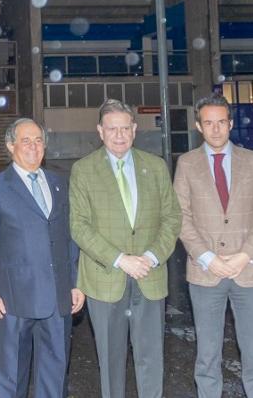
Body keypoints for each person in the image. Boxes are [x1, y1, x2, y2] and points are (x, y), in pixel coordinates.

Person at [70, 98, 181, 398]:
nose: (119, 135)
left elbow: (172, 218)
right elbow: (79, 226)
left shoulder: (156, 167)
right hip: (105, 280)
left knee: (151, 360)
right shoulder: (83, 170)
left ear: (134, 129)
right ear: (100, 131)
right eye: (111, 129)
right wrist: (120, 260)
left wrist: (152, 256)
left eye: (124, 128)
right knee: (111, 362)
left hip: (150, 276)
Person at [173, 95, 253, 398]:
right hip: (206, 273)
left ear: (230, 123)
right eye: (208, 123)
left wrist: (245, 255)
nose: (216, 129)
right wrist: (207, 257)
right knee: (207, 356)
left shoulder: (252, 160)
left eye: (221, 122)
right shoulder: (187, 163)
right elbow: (180, 216)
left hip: (249, 270)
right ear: (198, 126)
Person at [0, 118, 85, 398]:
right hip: (12, 299)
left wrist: (75, 283)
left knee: (55, 378)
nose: (34, 147)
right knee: (11, 378)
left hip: (58, 299)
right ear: (11, 145)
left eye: (38, 140)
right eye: (26, 141)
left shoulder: (59, 183)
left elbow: (69, 239)